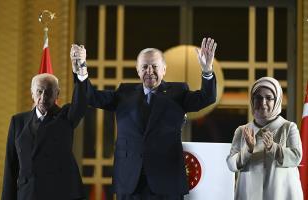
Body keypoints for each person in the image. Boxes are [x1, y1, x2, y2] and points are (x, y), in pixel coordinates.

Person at [71, 37, 217, 199]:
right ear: (137, 70)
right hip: (130, 181)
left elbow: (206, 98)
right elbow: (92, 97)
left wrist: (207, 71)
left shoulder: (178, 92)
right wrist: (82, 70)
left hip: (166, 181)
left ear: (164, 69)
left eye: (154, 66)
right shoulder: (124, 92)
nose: (149, 71)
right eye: (144, 67)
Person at [1, 51, 88, 200]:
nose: (43, 97)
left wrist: (81, 70)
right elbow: (11, 167)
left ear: (57, 94)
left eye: (48, 92)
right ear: (32, 93)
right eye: (39, 91)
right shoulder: (18, 121)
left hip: (58, 194)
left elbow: (80, 103)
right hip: (27, 195)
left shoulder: (66, 117)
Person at [226, 77, 303, 200]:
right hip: (249, 194)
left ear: (277, 100)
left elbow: (296, 157)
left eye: (269, 98)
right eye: (258, 97)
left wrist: (273, 148)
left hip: (280, 194)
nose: (263, 103)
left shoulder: (288, 127)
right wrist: (248, 150)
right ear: (252, 100)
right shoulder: (242, 131)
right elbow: (231, 164)